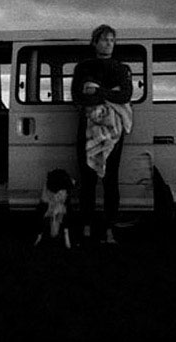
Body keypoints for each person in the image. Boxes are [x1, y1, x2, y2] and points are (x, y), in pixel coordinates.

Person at [71, 24, 133, 244]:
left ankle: (109, 229)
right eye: (105, 39)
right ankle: (86, 228)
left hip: (114, 132)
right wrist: (110, 94)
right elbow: (78, 97)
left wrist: (97, 91)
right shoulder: (83, 67)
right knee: (87, 180)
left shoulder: (121, 68)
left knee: (110, 180)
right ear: (95, 42)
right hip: (88, 129)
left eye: (112, 40)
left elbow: (126, 95)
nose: (109, 44)